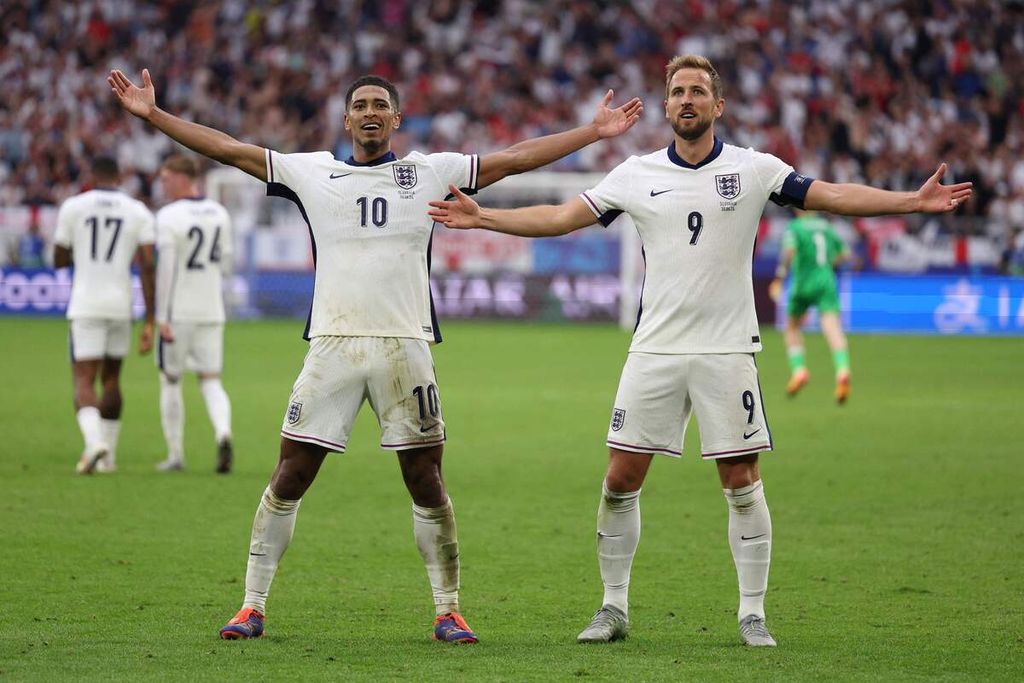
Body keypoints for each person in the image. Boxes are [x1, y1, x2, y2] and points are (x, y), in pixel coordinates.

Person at [428, 54, 972, 647]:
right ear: (666, 106)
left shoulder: (755, 168)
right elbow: (562, 216)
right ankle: (612, 608)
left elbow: (829, 195)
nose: (686, 100)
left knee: (741, 479)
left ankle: (752, 612)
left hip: (726, 351)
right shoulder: (634, 173)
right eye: (677, 92)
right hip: (655, 350)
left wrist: (908, 203)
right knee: (619, 478)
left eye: (697, 92)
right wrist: (487, 218)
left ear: (719, 106)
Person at [108, 67, 642, 643]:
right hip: (332, 347)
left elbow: (512, 159)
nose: (369, 112)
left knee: (425, 477)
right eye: (359, 104)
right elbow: (230, 150)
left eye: (379, 105)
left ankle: (448, 609)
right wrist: (155, 117)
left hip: (404, 346)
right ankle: (251, 605)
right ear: (346, 119)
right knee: (290, 474)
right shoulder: (313, 171)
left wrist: (591, 132)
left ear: (395, 118)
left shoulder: (431, 172)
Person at [53, 156, 156, 474]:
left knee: (84, 379)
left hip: (86, 303)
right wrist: (150, 318)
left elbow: (58, 258)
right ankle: (108, 457)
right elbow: (148, 264)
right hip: (120, 305)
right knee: (112, 378)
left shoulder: (74, 206)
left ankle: (94, 442)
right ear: (120, 177)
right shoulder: (137, 210)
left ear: (91, 175)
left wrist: (75, 251)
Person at [152, 154, 235, 473]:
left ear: (181, 177)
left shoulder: (169, 216)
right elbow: (226, 264)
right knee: (211, 379)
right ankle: (223, 432)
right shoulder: (219, 212)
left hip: (179, 312)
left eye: (165, 178)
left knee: (170, 380)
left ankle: (175, 455)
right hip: (212, 309)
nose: (163, 185)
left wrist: (162, 317)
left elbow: (166, 270)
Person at [769, 211, 853, 403]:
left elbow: (789, 252)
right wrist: (824, 266)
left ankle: (799, 370)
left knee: (791, 327)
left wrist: (779, 279)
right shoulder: (826, 227)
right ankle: (842, 370)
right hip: (826, 281)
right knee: (832, 327)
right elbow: (844, 254)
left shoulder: (795, 227)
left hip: (802, 283)